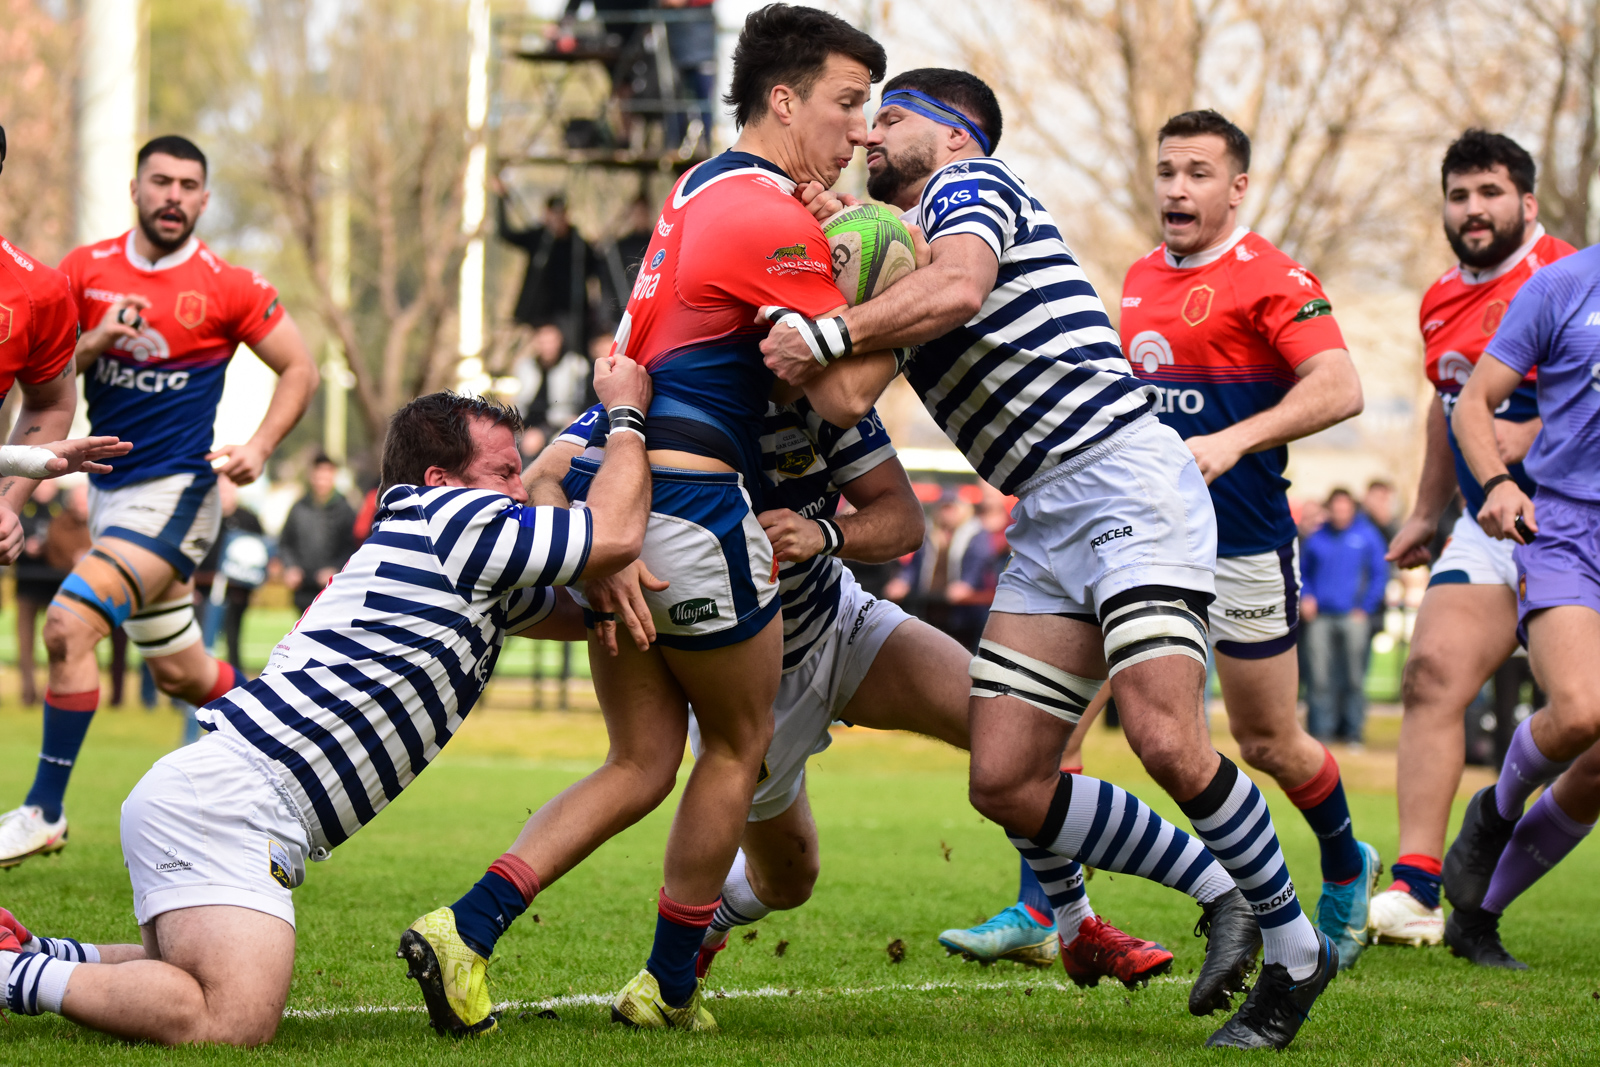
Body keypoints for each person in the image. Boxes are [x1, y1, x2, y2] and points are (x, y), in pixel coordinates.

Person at [762, 69, 1334, 1049]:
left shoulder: (969, 192)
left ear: (954, 138)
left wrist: (826, 322)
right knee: (1005, 779)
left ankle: (1291, 949)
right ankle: (1207, 896)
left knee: (1162, 733)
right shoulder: (907, 257)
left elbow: (963, 285)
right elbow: (849, 400)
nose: (867, 136)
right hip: (1048, 515)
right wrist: (841, 261)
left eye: (889, 118)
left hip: (1124, 479)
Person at [0, 375, 653, 1046]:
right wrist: (627, 415)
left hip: (226, 796)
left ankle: (35, 954)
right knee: (232, 1018)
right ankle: (8, 976)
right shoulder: (458, 522)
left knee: (189, 973)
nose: (520, 491)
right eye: (504, 472)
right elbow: (618, 533)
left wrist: (614, 583)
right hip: (230, 803)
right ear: (443, 479)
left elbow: (592, 608)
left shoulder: (457, 552)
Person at [504, 5, 901, 1033]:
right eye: (846, 103)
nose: (861, 130)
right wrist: (906, 298)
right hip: (692, 499)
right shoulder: (760, 212)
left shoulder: (700, 188)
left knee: (641, 762)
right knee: (734, 741)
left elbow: (676, 346)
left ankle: (470, 923)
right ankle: (669, 980)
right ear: (783, 100)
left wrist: (576, 461)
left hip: (627, 483)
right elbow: (842, 396)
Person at [943, 106, 1376, 976]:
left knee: (1265, 741)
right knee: (1052, 730)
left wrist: (1236, 438)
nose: (1177, 189)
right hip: (1132, 528)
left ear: (1237, 187)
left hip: (1241, 538)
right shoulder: (1138, 278)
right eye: (1167, 171)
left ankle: (1343, 858)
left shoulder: (1273, 277)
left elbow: (1341, 386)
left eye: (1199, 174)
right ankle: (1048, 908)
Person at [0, 135, 318, 868]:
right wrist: (94, 341)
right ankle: (300, 752)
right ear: (135, 189)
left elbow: (299, 368)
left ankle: (44, 810)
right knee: (184, 674)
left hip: (179, 495)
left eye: (188, 185)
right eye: (161, 181)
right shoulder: (82, 273)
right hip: (108, 499)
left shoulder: (229, 284)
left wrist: (261, 447)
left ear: (205, 200)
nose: (173, 195)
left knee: (67, 624)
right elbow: (51, 378)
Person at [1368, 130, 1576, 948]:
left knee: (1584, 724)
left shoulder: (1569, 277)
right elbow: (1447, 402)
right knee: (1428, 674)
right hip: (1487, 525)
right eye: (1459, 195)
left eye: (1490, 193)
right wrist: (1426, 508)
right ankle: (1420, 887)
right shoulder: (1440, 297)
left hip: (1572, 522)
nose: (1473, 210)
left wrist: (1537, 433)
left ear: (1526, 203)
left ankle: (1486, 875)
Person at [1440, 232, 1600, 967]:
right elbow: (1473, 400)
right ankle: (1494, 812)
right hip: (1567, 526)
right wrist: (1498, 484)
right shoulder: (1562, 286)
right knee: (1581, 711)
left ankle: (1477, 915)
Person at [1300, 488, 1388, 744]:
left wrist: (1366, 607)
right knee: (1319, 677)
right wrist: (1307, 595)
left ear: (1352, 508)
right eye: (1336, 508)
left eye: (1344, 508)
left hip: (1354, 616)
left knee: (1353, 677)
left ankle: (1352, 732)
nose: (1340, 513)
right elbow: (1302, 573)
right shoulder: (1317, 538)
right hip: (1321, 618)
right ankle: (1320, 731)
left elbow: (1379, 574)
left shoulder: (1367, 536)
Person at [496, 183, 593, 347]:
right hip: (537, 314)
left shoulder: (577, 244)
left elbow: (593, 268)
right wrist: (500, 198)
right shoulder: (539, 238)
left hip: (568, 315)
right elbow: (506, 233)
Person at [278, 454, 358, 615]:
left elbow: (353, 546)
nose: (322, 481)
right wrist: (290, 567)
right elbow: (285, 543)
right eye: (318, 476)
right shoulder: (298, 508)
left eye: (326, 476)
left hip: (332, 587)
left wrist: (336, 568)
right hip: (303, 588)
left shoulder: (345, 510)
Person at [15, 483, 67, 706]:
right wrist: (24, 544)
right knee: (25, 643)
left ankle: (56, 692)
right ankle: (28, 693)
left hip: (56, 586)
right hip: (26, 583)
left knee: (57, 642)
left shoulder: (64, 501)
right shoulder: (21, 499)